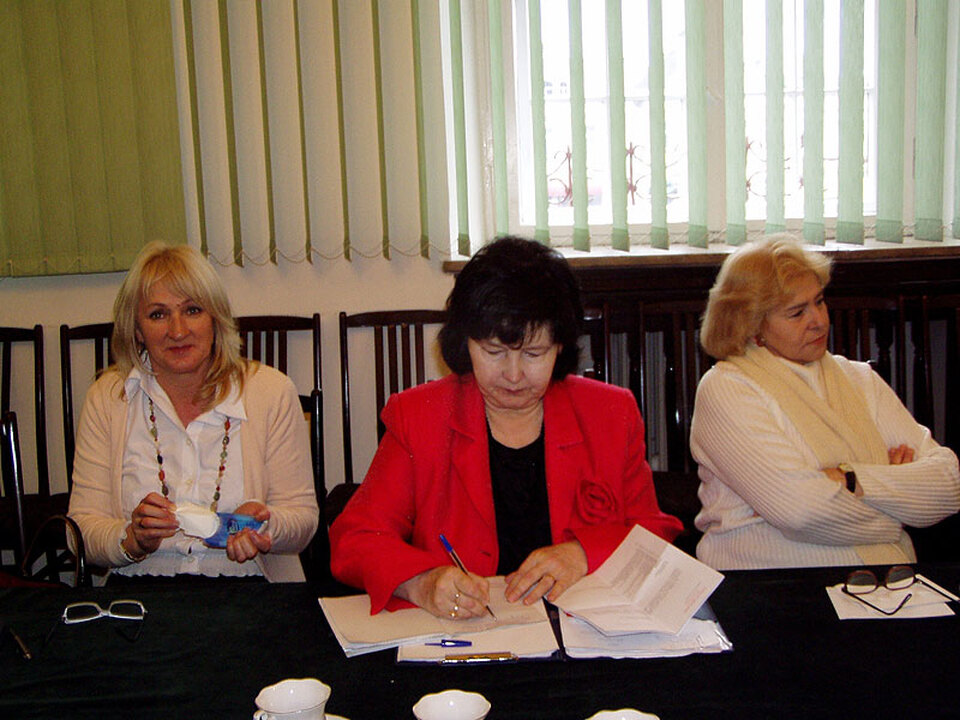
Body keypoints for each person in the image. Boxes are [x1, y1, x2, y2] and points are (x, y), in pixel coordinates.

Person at [329, 236, 682, 617]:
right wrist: (421, 582)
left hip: (583, 629)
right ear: (465, 344)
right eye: (494, 351)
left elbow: (654, 534)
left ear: (560, 346)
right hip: (467, 632)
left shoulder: (610, 412)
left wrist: (583, 553)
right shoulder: (418, 416)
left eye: (533, 353)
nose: (513, 375)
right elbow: (356, 539)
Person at [690, 234, 960, 570]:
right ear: (753, 325)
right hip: (773, 581)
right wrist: (897, 514)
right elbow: (800, 511)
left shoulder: (859, 378)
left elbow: (949, 483)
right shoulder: (726, 389)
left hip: (887, 576)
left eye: (819, 301)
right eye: (797, 312)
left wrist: (850, 479)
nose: (819, 320)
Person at [68, 241, 318, 582]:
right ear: (137, 330)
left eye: (193, 310)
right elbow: (79, 531)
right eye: (158, 315)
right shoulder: (108, 397)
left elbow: (303, 519)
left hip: (248, 585)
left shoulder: (271, 391)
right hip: (139, 586)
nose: (178, 331)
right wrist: (131, 539)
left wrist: (263, 523)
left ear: (216, 318)